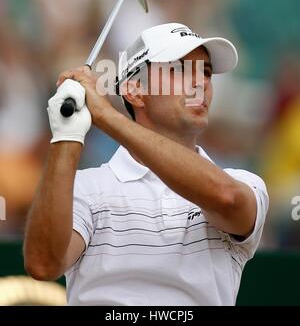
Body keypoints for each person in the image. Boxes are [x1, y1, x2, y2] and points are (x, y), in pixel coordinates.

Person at [24, 23, 269, 306]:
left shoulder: (244, 182)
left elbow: (226, 198)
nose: (201, 82)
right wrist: (68, 134)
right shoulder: (86, 187)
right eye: (180, 70)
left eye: (206, 72)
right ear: (135, 90)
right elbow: (43, 264)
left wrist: (105, 115)